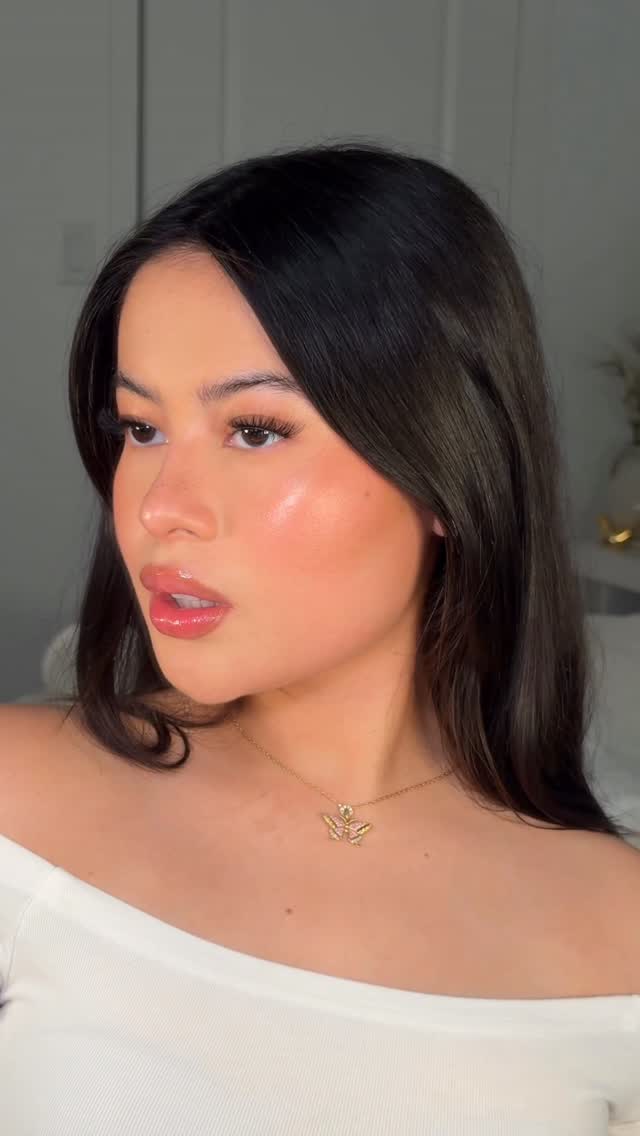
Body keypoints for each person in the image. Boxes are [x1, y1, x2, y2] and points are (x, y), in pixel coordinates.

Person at [0, 141, 638, 1134]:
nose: (160, 507)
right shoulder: (21, 800)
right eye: (140, 428)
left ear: (446, 466)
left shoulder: (615, 932)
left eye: (255, 430)